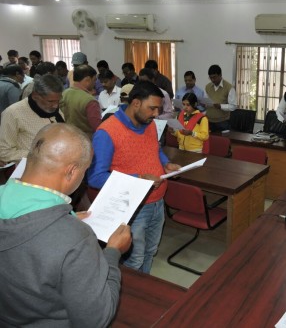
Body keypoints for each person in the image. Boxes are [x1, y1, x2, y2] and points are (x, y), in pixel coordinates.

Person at [0, 123, 132, 327]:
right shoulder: (76, 238)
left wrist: (66, 219)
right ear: (71, 171)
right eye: (85, 171)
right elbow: (96, 320)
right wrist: (113, 252)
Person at [88, 81, 181, 273]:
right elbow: (95, 178)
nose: (156, 114)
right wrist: (137, 179)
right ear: (136, 103)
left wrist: (165, 163)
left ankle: (143, 291)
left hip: (157, 202)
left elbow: (155, 150)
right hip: (132, 208)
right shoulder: (107, 132)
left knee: (150, 252)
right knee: (133, 259)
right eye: (153, 108)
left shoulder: (149, 124)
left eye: (159, 109)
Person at [0, 74, 64, 163]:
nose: (56, 105)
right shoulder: (13, 113)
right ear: (35, 96)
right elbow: (4, 151)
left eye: (58, 100)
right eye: (50, 101)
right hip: (28, 170)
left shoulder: (56, 111)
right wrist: (39, 155)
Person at [60, 64, 101, 138]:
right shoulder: (90, 101)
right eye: (94, 80)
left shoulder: (64, 94)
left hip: (66, 138)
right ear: (88, 79)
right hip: (86, 141)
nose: (95, 83)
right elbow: (98, 127)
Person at [204, 64, 237, 132]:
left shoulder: (229, 87)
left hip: (223, 122)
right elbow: (206, 100)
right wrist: (204, 104)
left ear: (220, 75)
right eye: (210, 78)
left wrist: (220, 106)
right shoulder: (207, 86)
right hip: (209, 120)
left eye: (214, 77)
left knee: (222, 141)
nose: (213, 80)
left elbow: (233, 106)